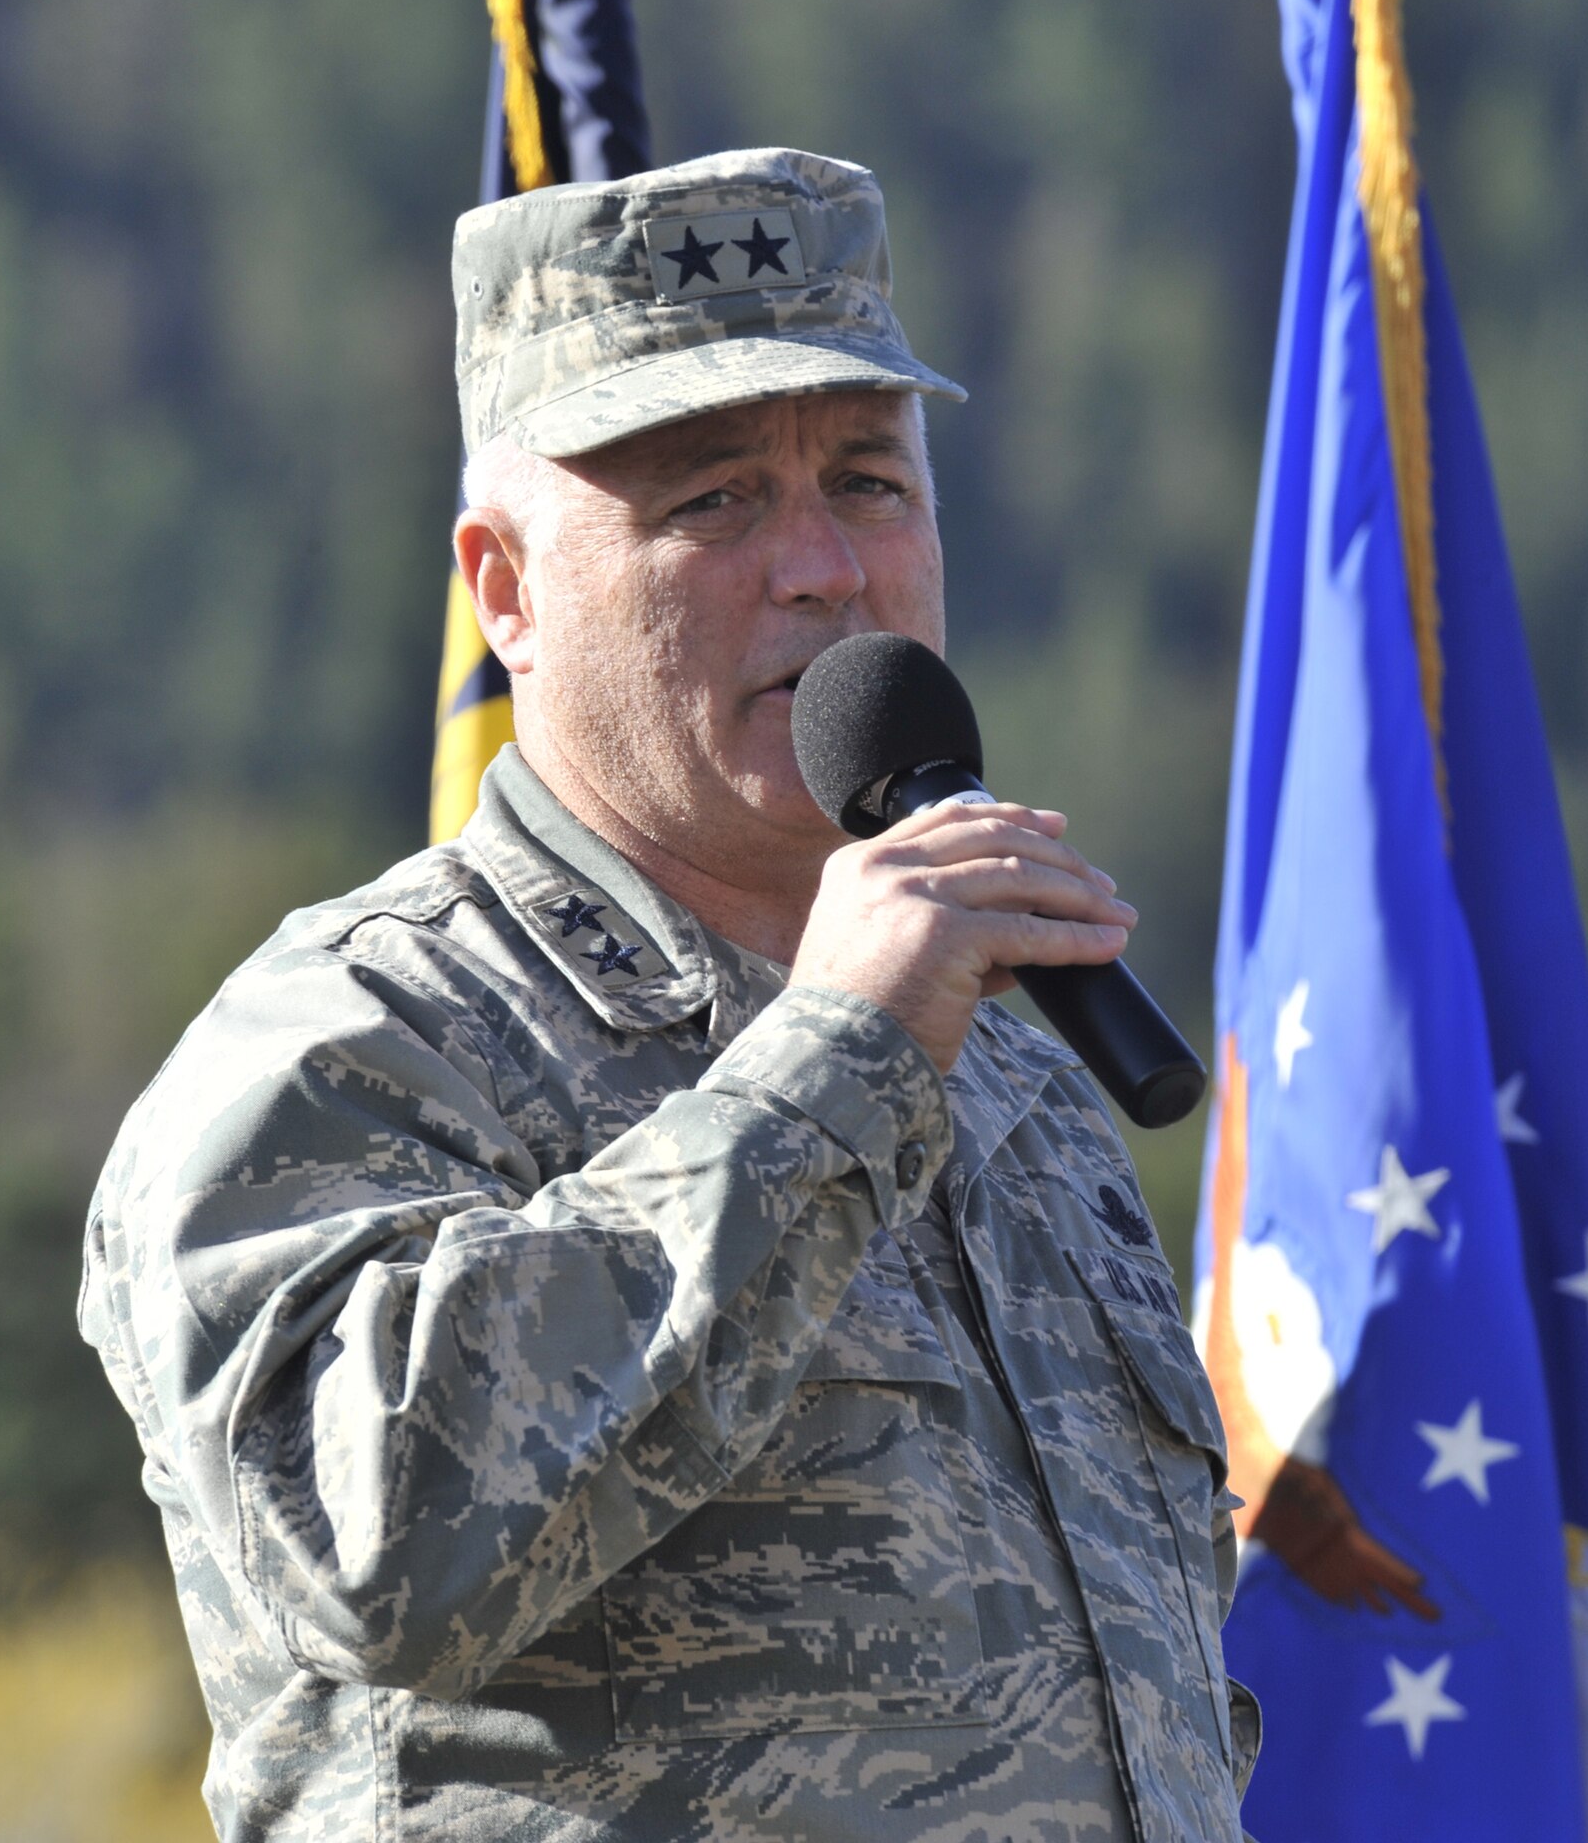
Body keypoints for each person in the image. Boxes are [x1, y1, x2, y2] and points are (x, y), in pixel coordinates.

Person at [80, 147, 1259, 1843]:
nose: (823, 570)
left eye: (868, 481)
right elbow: (370, 1547)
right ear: (506, 592)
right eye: (710, 501)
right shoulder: (353, 1047)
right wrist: (832, 1070)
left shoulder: (1014, 1080)